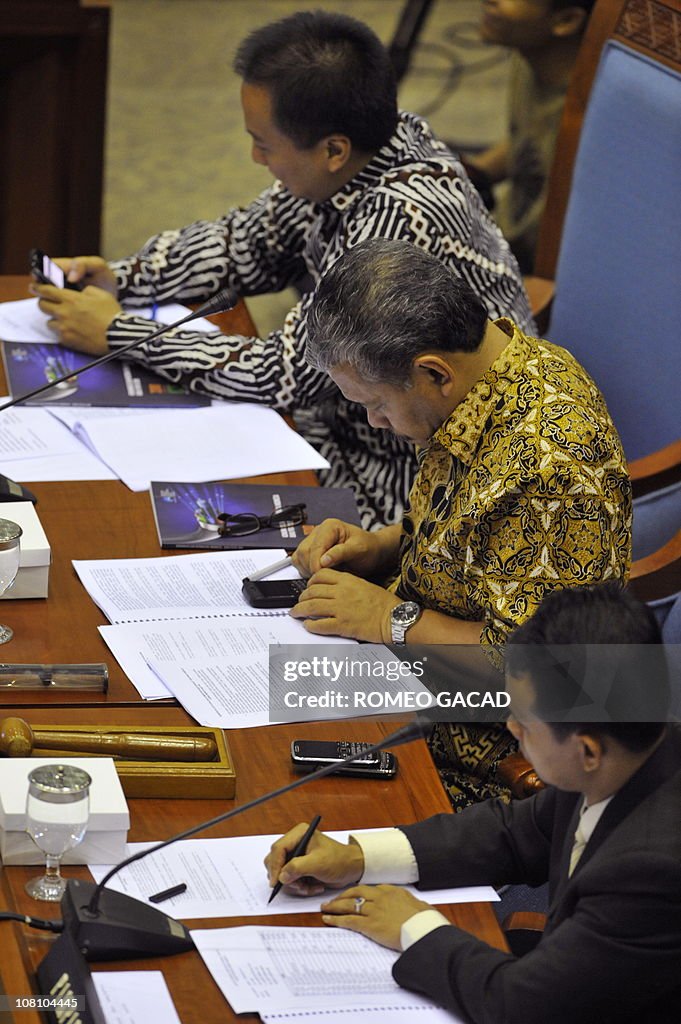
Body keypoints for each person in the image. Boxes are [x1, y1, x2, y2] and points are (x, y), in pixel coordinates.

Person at [31, 10, 533, 531]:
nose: (254, 157)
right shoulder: (368, 152)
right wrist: (122, 279)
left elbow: (284, 374)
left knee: (154, 517)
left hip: (408, 474)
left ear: (333, 149)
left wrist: (118, 333)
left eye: (265, 144)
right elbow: (246, 241)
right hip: (345, 422)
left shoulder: (395, 225)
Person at [288, 236, 631, 806]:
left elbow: (540, 678)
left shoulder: (553, 467)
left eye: (376, 403)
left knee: (277, 796)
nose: (374, 422)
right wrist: (381, 546)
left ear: (434, 372)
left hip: (471, 753)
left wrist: (387, 619)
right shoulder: (490, 372)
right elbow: (472, 529)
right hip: (401, 679)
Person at [265, 584, 681, 1024]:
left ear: (588, 751)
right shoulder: (632, 745)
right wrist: (357, 855)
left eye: (524, 722)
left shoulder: (650, 870)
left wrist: (415, 928)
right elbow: (513, 834)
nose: (510, 726)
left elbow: (522, 1006)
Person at [463, 0, 595, 272]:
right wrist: (471, 173)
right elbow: (528, 140)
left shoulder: (587, 126)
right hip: (504, 241)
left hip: (526, 272)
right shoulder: (532, 57)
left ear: (566, 21)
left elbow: (544, 254)